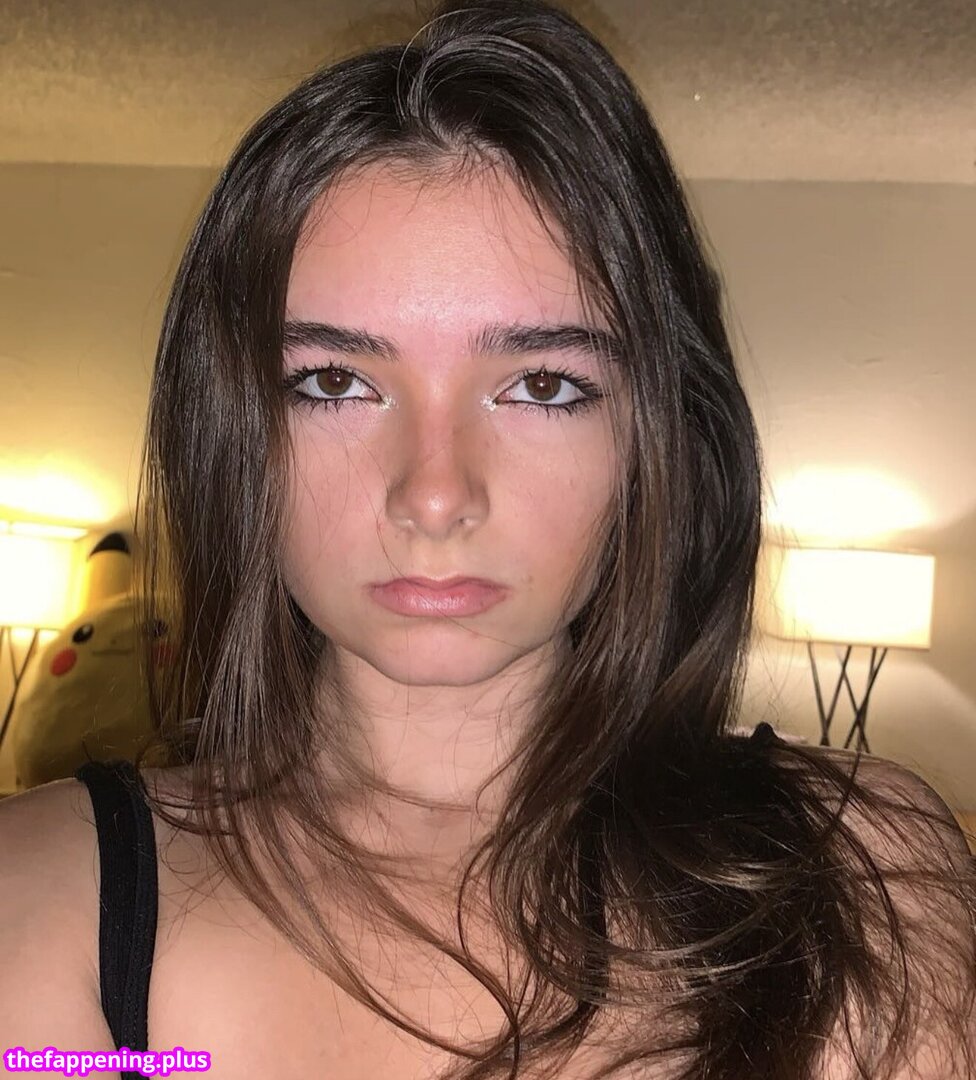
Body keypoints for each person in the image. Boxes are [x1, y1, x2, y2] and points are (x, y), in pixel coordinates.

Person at [1, 0, 973, 1077]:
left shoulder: (865, 876)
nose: (434, 495)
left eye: (543, 386)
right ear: (231, 429)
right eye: (334, 382)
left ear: (657, 436)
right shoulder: (43, 898)